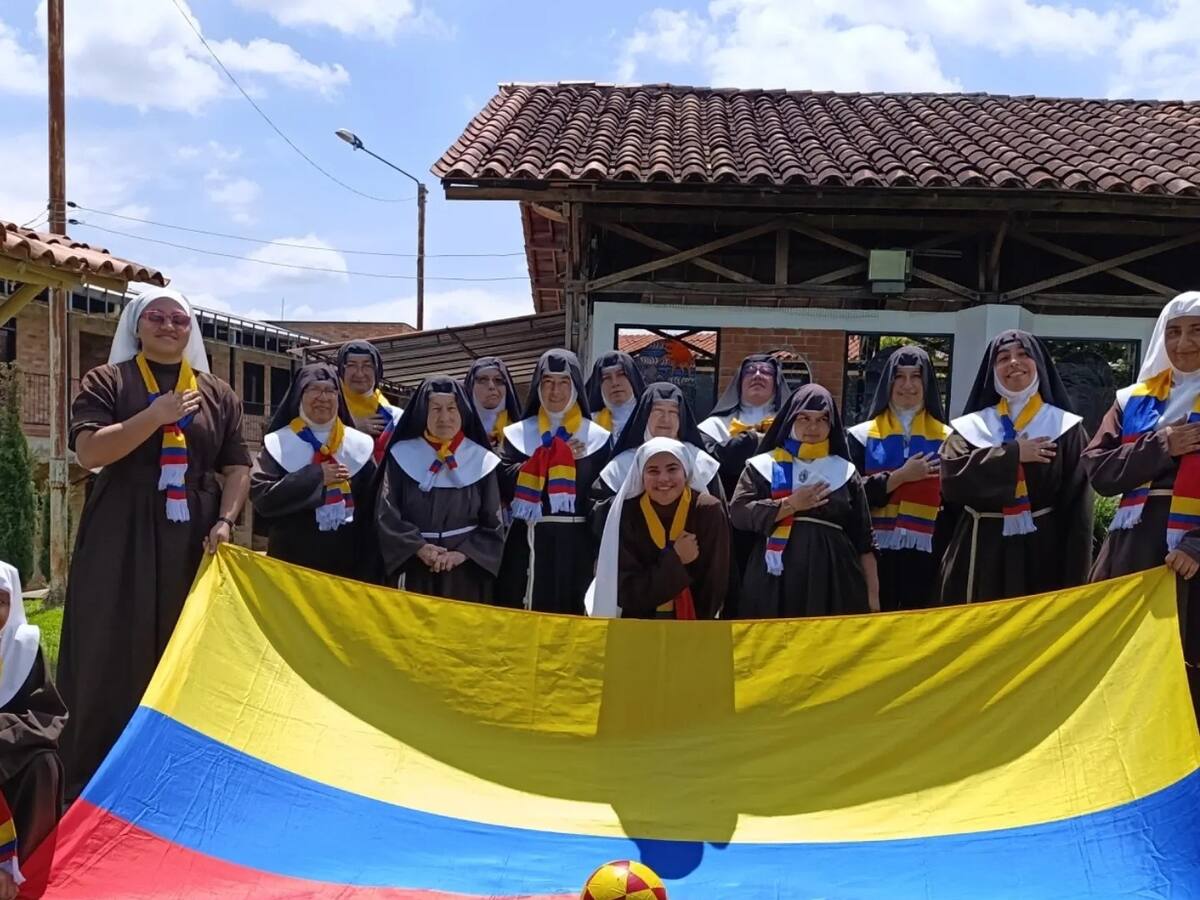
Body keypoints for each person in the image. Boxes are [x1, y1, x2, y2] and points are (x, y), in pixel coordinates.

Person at [58, 287, 250, 799]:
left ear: (191, 331)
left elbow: (236, 466)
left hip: (192, 535)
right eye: (157, 318)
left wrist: (227, 520)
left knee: (183, 641)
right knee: (110, 641)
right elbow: (90, 453)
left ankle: (182, 768)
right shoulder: (106, 380)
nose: (168, 326)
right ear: (137, 327)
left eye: (178, 319)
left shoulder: (218, 393)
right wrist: (155, 416)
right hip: (120, 531)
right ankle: (97, 772)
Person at [1085, 293, 1200, 721]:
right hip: (1132, 551)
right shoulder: (1132, 400)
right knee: (1124, 666)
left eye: (1196, 330)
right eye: (1173, 331)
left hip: (1190, 556)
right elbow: (1098, 471)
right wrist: (1161, 446)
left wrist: (1198, 545)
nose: (1183, 343)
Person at [938, 330, 1093, 605]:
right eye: (1003, 357)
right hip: (978, 550)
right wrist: (1013, 454)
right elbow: (952, 479)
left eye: (1023, 355)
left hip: (1041, 551)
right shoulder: (970, 427)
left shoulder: (1065, 428)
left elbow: (1078, 510)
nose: (1013, 363)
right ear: (992, 370)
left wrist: (1076, 580)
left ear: (1039, 365)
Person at [731, 384, 878, 618]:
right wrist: (790, 505)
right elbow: (739, 513)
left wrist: (873, 597)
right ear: (790, 419)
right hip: (774, 580)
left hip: (833, 579)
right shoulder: (762, 466)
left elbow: (864, 539)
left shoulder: (845, 471)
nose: (813, 427)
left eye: (822, 420)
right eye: (804, 418)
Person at [497, 350, 610, 613]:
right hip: (527, 541)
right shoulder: (517, 434)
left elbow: (603, 497)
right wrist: (551, 458)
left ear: (575, 387)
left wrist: (600, 552)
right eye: (547, 382)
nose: (554, 391)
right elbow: (503, 481)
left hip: (579, 543)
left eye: (563, 383)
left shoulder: (597, 437)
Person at [377, 376, 505, 603]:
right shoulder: (401, 455)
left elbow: (493, 524)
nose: (444, 417)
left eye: (451, 408)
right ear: (423, 413)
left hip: (465, 572)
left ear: (462, 412)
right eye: (435, 409)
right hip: (414, 566)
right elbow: (387, 513)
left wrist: (462, 554)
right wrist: (419, 547)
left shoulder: (480, 459)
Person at [847, 346, 952, 610]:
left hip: (929, 552)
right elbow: (850, 496)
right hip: (874, 551)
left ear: (927, 383)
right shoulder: (860, 436)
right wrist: (900, 477)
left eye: (916, 376)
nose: (907, 385)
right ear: (887, 383)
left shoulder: (949, 438)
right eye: (899, 376)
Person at [250, 363, 378, 579]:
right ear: (299, 395)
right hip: (291, 564)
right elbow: (262, 496)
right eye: (314, 389)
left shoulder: (359, 446)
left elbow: (375, 508)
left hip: (349, 568)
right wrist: (316, 477)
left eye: (330, 390)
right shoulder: (278, 443)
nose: (323, 397)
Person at [590, 438, 730, 620]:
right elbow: (627, 591)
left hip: (695, 625)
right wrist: (676, 559)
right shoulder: (627, 513)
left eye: (672, 469)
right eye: (653, 471)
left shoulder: (706, 510)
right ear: (641, 476)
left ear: (686, 472)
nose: (663, 478)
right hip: (638, 625)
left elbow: (714, 582)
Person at [699, 354, 792, 617]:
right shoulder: (714, 427)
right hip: (731, 525)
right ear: (738, 382)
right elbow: (708, 465)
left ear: (777, 384)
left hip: (781, 519)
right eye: (750, 371)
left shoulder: (797, 424)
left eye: (766, 372)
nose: (758, 376)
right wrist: (751, 439)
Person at [0, 563, 66, 875]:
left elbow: (47, 715)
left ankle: (26, 871)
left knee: (44, 765)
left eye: (1, 601)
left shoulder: (24, 648)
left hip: (12, 749)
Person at [591, 382, 723, 534]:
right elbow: (597, 515)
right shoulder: (622, 464)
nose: (666, 419)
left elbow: (718, 518)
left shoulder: (702, 463)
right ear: (645, 416)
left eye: (673, 412)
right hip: (634, 550)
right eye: (658, 411)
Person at [335, 340, 403, 463]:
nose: (359, 373)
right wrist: (353, 429)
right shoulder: (330, 407)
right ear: (341, 369)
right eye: (351, 365)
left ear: (377, 371)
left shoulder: (392, 415)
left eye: (367, 366)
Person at [585, 351, 646, 446]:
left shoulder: (650, 419)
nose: (614, 383)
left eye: (621, 374)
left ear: (632, 378)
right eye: (606, 377)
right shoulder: (589, 426)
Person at [464, 357, 522, 450]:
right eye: (483, 380)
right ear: (471, 386)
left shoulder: (522, 433)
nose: (491, 386)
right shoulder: (459, 435)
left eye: (498, 380)